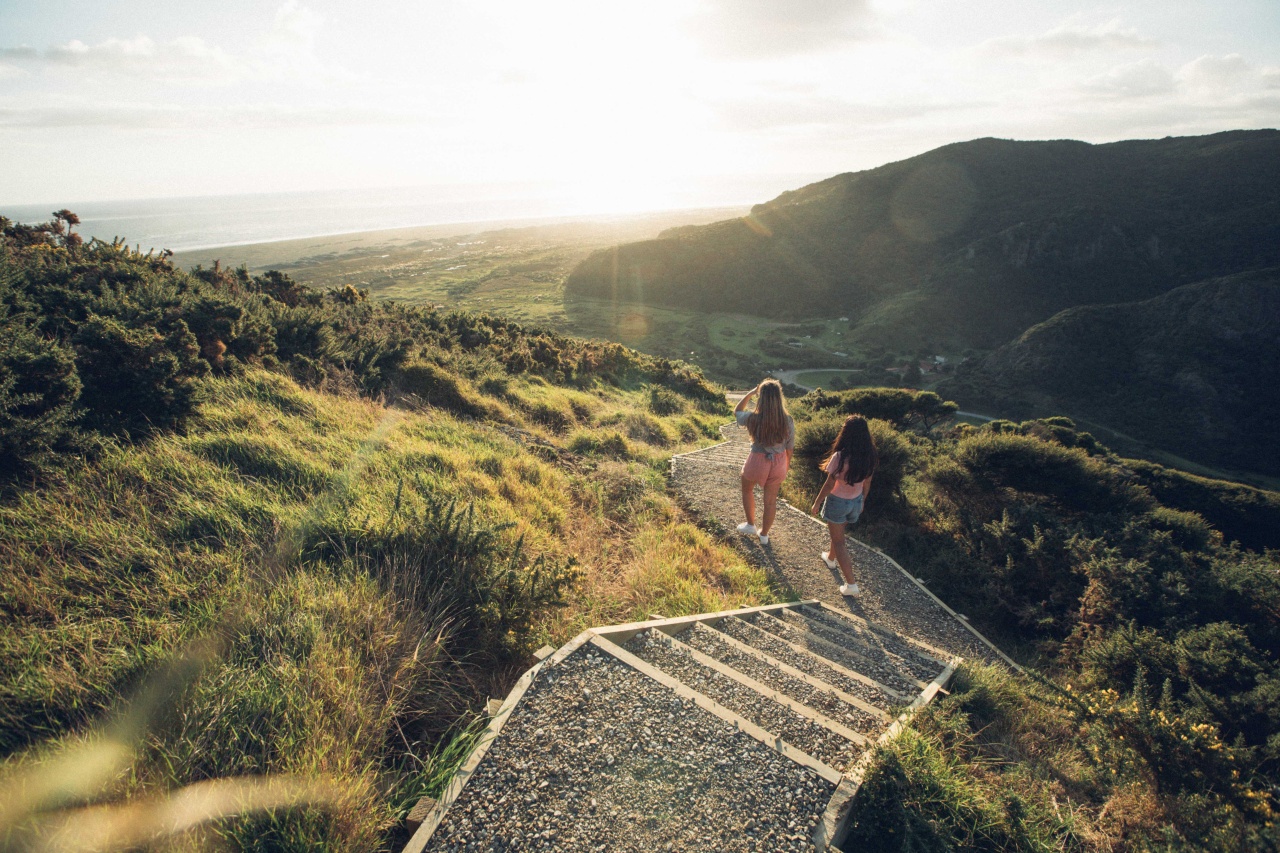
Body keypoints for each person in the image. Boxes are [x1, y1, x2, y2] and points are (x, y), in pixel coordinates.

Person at [809, 415, 877, 596]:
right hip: (855, 501)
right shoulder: (869, 457)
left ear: (845, 434)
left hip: (838, 502)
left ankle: (851, 585)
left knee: (839, 542)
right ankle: (830, 559)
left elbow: (830, 484)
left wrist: (817, 502)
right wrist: (862, 500)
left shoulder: (840, 457)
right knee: (838, 533)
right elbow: (867, 482)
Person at [734, 379, 794, 546]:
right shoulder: (787, 420)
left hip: (757, 460)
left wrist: (750, 393)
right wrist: (786, 466)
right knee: (770, 501)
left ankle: (750, 525)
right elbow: (790, 448)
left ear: (761, 398)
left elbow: (737, 411)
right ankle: (765, 535)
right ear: (779, 397)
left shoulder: (753, 418)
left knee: (747, 490)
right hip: (779, 462)